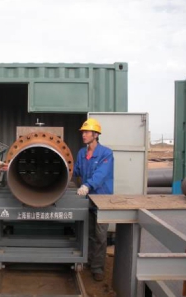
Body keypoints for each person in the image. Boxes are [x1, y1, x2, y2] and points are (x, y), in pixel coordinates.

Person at [73, 118, 114, 282]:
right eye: (83, 132)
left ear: (96, 134)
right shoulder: (82, 153)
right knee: (88, 232)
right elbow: (75, 170)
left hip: (101, 198)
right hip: (86, 198)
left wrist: (87, 186)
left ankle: (97, 268)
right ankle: (88, 261)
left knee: (100, 235)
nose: (84, 135)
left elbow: (101, 175)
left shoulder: (106, 153)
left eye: (87, 132)